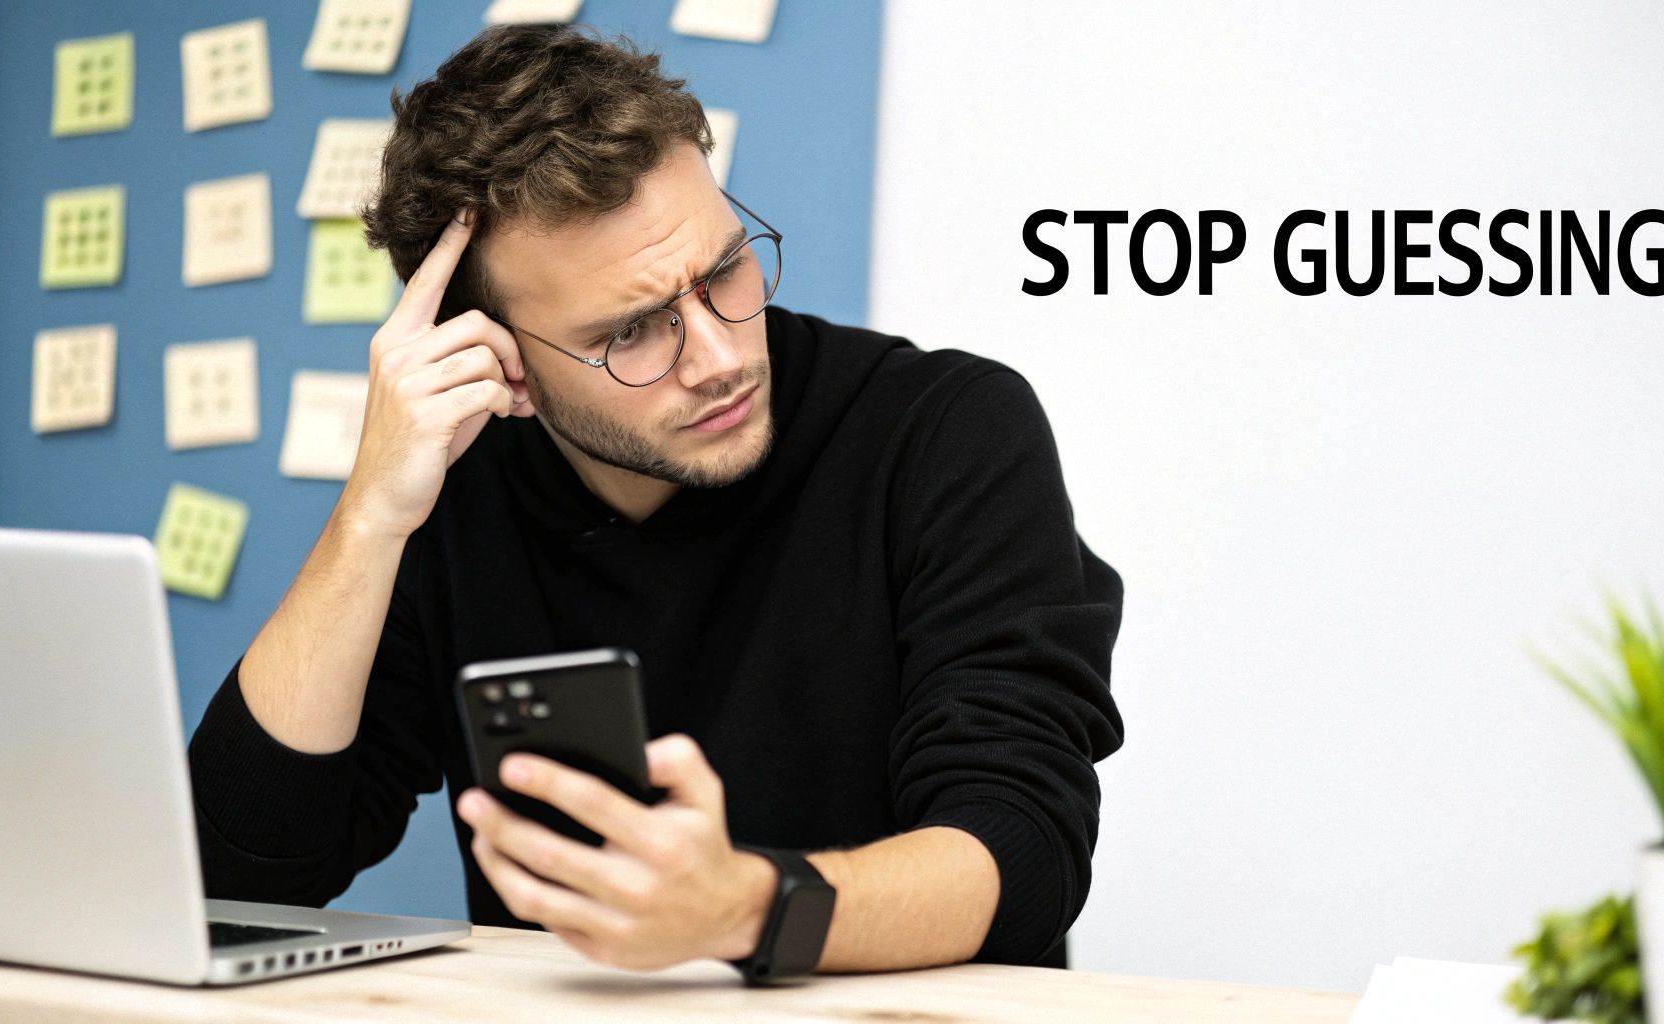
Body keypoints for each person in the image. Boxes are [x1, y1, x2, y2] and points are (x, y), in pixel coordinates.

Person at [186, 22, 1124, 978]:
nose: (720, 359)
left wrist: (745, 912)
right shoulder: (455, 495)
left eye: (724, 270)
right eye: (633, 331)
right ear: (500, 359)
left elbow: (1023, 850)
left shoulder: (944, 431)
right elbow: (238, 878)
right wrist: (371, 515)